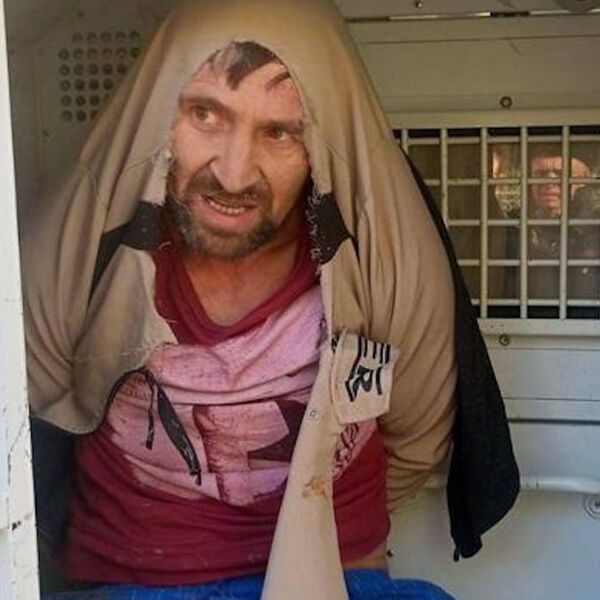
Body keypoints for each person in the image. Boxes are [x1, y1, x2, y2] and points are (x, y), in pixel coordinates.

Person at [22, 1, 519, 599]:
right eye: (205, 114)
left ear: (324, 143)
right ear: (158, 119)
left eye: (279, 132)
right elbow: (33, 418)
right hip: (140, 583)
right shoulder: (83, 252)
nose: (234, 176)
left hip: (337, 578)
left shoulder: (381, 256)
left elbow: (416, 438)